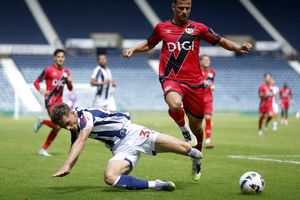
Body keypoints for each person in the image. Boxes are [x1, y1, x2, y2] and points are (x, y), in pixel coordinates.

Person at [122, 0, 252, 152]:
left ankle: (197, 155)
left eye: (187, 8)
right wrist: (133, 49)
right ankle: (184, 130)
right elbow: (149, 44)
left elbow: (221, 41)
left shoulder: (199, 28)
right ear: (173, 7)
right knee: (175, 104)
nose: (184, 11)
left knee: (197, 127)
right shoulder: (162, 28)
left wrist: (238, 47)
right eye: (181, 8)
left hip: (194, 83)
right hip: (170, 77)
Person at [50, 103, 203, 191]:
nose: (69, 128)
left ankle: (196, 160)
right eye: (64, 127)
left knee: (187, 149)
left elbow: (81, 141)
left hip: (133, 133)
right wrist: (68, 167)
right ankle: (156, 184)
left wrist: (66, 165)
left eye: (68, 123)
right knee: (110, 177)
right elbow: (75, 147)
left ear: (72, 113)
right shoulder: (76, 125)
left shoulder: (86, 117)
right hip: (120, 148)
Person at [33, 49, 75, 156]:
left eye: (62, 57)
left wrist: (69, 81)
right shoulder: (48, 70)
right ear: (55, 58)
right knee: (58, 125)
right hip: (50, 101)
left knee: (57, 127)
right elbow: (36, 82)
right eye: (59, 57)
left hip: (60, 103)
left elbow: (70, 88)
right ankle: (42, 121)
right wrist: (42, 90)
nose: (61, 59)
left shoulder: (66, 71)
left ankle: (43, 149)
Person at [200, 55, 216, 148]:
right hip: (198, 99)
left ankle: (208, 141)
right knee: (195, 122)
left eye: (208, 60)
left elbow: (211, 82)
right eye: (204, 60)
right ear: (201, 61)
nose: (207, 61)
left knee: (208, 119)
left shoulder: (212, 72)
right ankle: (190, 138)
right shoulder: (197, 72)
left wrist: (213, 85)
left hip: (208, 99)